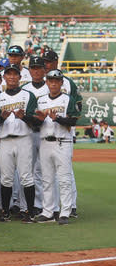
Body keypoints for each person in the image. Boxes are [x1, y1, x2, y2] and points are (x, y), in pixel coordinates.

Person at [0, 64, 39, 223]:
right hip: (5, 140)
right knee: (5, 178)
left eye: (15, 74)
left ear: (20, 77)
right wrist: (3, 117)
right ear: (4, 77)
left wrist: (24, 117)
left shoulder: (28, 95)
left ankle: (30, 212)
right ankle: (5, 212)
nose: (12, 77)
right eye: (9, 74)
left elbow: (35, 120)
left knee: (26, 177)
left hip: (24, 139)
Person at [34, 70, 79, 225]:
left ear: (61, 83)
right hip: (45, 141)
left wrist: (57, 118)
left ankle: (65, 212)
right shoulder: (41, 100)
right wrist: (39, 120)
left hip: (63, 142)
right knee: (47, 179)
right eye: (51, 80)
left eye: (57, 81)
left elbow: (73, 121)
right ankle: (48, 212)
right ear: (47, 82)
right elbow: (36, 124)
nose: (53, 83)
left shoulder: (68, 99)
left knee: (64, 179)